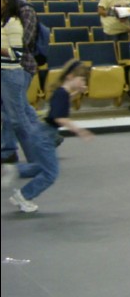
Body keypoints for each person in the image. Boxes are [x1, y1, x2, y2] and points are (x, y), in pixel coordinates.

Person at [3, 58, 92, 213]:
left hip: (42, 134)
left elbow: (61, 106)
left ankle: (14, 170)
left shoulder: (62, 92)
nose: (83, 82)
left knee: (40, 166)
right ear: (71, 76)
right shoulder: (61, 94)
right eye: (81, 78)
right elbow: (59, 118)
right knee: (51, 174)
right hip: (45, 136)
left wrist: (77, 92)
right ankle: (23, 196)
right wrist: (79, 130)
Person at [0, 0, 41, 166]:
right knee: (14, 111)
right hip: (7, 69)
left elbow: (21, 47)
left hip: (21, 67)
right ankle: (9, 150)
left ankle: (39, 148)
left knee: (17, 115)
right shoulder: (5, 18)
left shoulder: (24, 12)